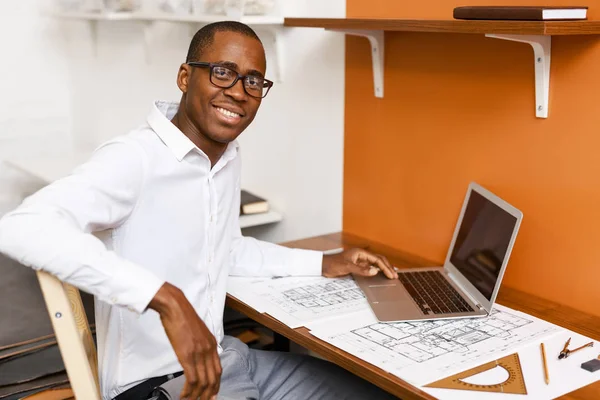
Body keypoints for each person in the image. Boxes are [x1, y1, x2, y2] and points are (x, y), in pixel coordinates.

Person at [0, 21, 399, 400]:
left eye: (253, 80)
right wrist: (164, 298)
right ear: (185, 77)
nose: (240, 91)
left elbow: (225, 249)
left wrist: (324, 263)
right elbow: (22, 227)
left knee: (380, 392)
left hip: (228, 359)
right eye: (223, 72)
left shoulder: (224, 159)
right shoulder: (135, 158)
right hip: (159, 383)